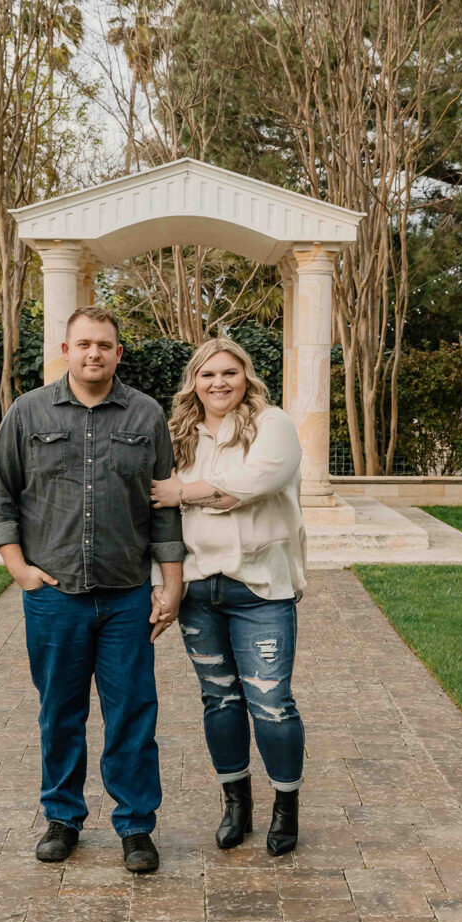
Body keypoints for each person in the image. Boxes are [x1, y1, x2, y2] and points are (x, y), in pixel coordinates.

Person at [0, 306, 184, 871]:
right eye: (84, 344)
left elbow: (164, 509)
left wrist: (172, 583)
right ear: (65, 350)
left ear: (119, 353)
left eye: (105, 345)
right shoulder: (28, 412)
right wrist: (19, 569)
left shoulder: (145, 415)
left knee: (131, 714)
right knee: (61, 712)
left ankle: (136, 826)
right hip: (54, 596)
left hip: (125, 596)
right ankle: (62, 818)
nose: (94, 353)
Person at [150, 337, 306, 856]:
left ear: (246, 377)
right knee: (219, 699)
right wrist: (166, 581)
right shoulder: (179, 435)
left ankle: (286, 806)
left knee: (272, 704)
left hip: (260, 590)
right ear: (194, 381)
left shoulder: (272, 425)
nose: (219, 383)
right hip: (198, 592)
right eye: (208, 374)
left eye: (229, 373)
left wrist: (186, 491)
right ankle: (236, 803)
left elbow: (251, 483)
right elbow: (159, 513)